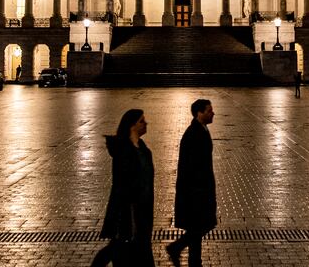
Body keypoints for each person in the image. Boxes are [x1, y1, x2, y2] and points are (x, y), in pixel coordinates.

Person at [92, 109, 154, 267]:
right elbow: (122, 185)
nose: (145, 123)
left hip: (142, 212)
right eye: (141, 121)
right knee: (124, 252)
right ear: (131, 126)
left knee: (123, 250)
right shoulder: (123, 150)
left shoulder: (143, 148)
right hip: (128, 212)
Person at [166, 99, 216, 267]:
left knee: (199, 225)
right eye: (209, 111)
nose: (213, 113)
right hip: (195, 191)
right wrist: (199, 190)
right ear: (199, 113)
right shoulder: (194, 134)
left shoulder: (201, 129)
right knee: (202, 225)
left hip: (199, 189)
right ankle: (178, 248)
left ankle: (194, 260)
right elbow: (193, 166)